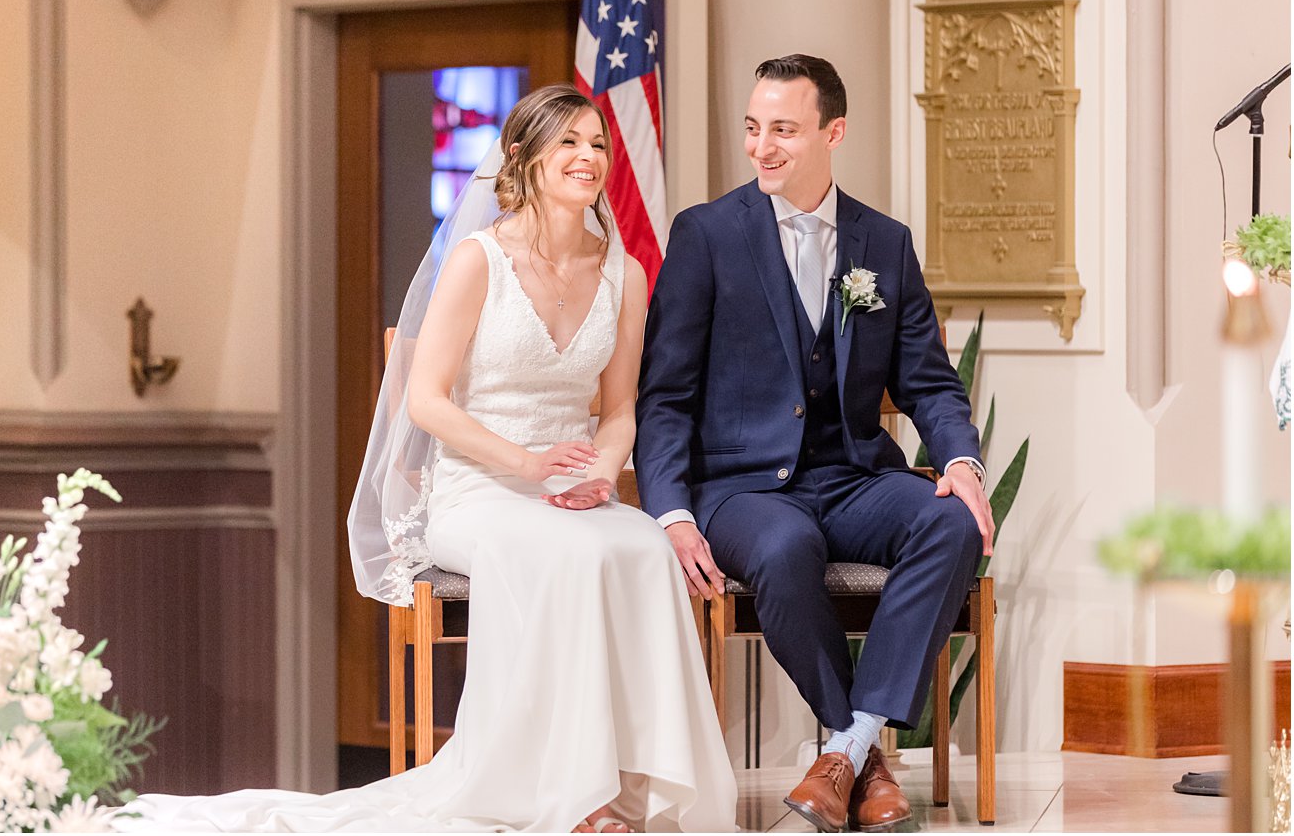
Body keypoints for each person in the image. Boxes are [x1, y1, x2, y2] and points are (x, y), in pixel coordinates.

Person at [121, 84, 736, 833]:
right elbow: (425, 399)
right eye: (569, 142)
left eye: (598, 143)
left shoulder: (626, 274)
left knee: (641, 545)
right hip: (475, 490)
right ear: (524, 158)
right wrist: (525, 459)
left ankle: (639, 781)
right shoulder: (480, 259)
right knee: (559, 556)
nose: (589, 157)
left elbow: (619, 411)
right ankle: (575, 794)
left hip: (577, 486)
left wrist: (602, 472)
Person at [635, 55, 990, 834]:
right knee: (787, 545)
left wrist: (961, 459)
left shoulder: (884, 244)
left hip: (852, 475)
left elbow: (928, 381)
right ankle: (865, 753)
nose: (762, 147)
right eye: (754, 128)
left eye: (784, 131)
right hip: (741, 489)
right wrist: (670, 511)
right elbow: (663, 395)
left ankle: (847, 748)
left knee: (953, 520)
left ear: (834, 132)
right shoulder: (705, 235)